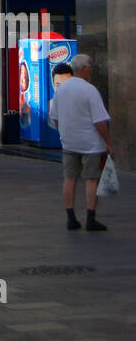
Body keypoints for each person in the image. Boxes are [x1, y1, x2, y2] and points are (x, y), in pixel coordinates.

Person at [48, 54, 113, 232]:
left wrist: (64, 133)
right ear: (84, 68)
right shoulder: (89, 90)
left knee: (70, 179)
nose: (91, 69)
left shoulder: (61, 90)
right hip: (91, 144)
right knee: (91, 180)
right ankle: (90, 220)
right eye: (90, 66)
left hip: (69, 142)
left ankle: (71, 218)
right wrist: (109, 143)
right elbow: (99, 121)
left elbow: (55, 118)